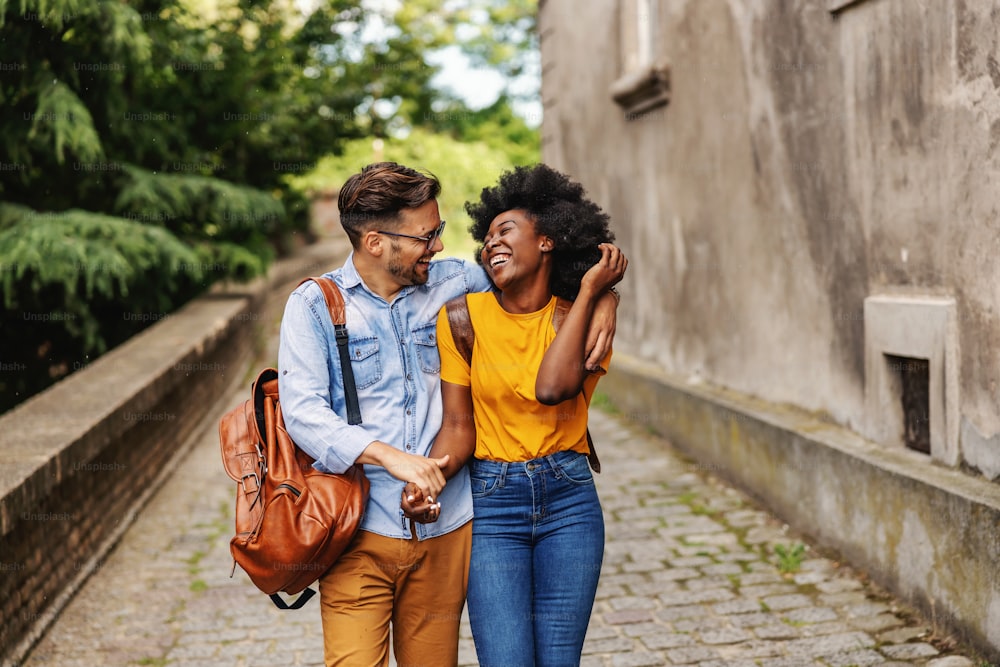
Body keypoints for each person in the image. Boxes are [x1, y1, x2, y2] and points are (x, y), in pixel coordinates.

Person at [276, 161, 619, 667]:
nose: (439, 245)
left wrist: (605, 297)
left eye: (438, 233)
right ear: (375, 242)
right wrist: (392, 459)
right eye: (426, 235)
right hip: (359, 531)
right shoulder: (313, 307)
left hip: (447, 530)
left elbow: (547, 272)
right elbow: (303, 412)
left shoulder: (457, 281)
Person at [412, 163, 627, 667]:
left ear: (548, 239)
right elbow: (458, 426)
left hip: (569, 501)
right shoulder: (461, 319)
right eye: (486, 239)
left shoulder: (583, 320)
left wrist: (597, 293)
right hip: (490, 506)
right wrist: (430, 477)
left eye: (504, 230)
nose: (491, 245)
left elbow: (552, 388)